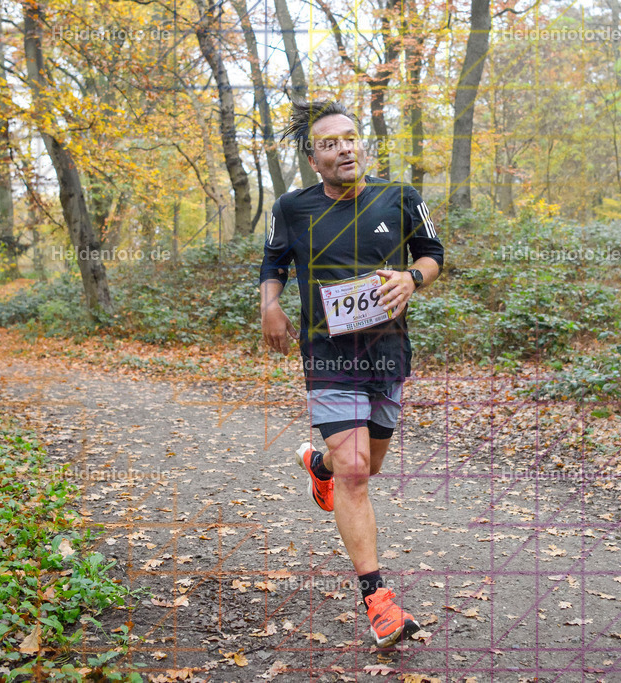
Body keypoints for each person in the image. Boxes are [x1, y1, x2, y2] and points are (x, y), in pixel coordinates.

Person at [259, 100, 444, 647]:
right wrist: (271, 305)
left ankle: (319, 466)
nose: (344, 148)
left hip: (387, 352)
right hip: (327, 354)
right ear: (312, 159)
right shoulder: (292, 208)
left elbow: (433, 253)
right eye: (329, 143)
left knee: (367, 465)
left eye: (350, 137)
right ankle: (379, 602)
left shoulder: (402, 197)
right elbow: (273, 263)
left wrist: (412, 277)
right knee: (357, 471)